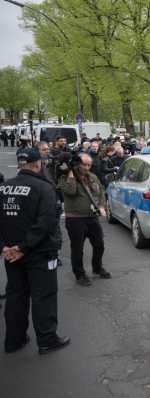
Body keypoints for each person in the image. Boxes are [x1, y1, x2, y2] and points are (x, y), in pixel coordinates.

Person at [1, 148, 71, 355]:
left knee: (16, 296)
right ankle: (47, 339)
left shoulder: (4, 187)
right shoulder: (43, 188)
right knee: (44, 297)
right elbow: (46, 222)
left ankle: (14, 340)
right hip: (38, 253)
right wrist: (23, 248)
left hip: (11, 254)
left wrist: (5, 247)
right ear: (38, 163)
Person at [58, 153, 111, 286]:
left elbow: (101, 192)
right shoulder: (64, 177)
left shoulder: (92, 176)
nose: (87, 168)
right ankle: (79, 274)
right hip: (75, 219)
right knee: (77, 248)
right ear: (77, 164)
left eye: (89, 165)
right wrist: (71, 175)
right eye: (84, 165)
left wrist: (101, 206)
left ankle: (97, 268)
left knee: (99, 244)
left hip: (92, 217)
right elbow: (71, 191)